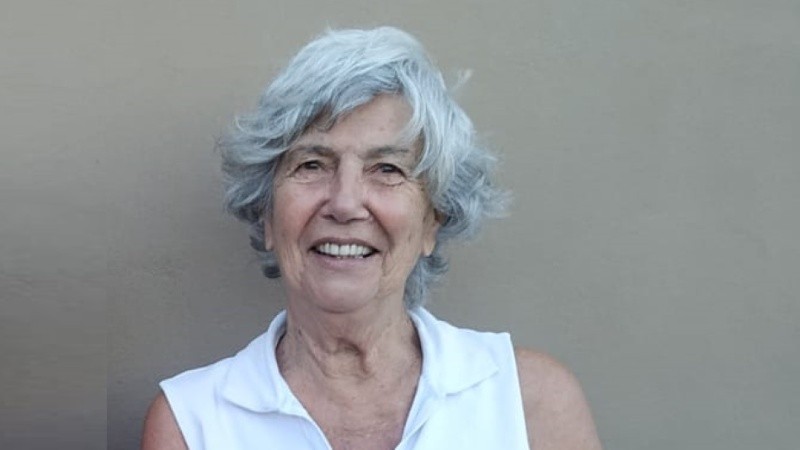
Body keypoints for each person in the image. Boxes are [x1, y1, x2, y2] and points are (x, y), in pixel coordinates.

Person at [141, 26, 601, 450]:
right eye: (311, 164)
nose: (344, 203)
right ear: (266, 215)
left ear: (433, 221)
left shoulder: (530, 404)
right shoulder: (192, 424)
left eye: (387, 169)